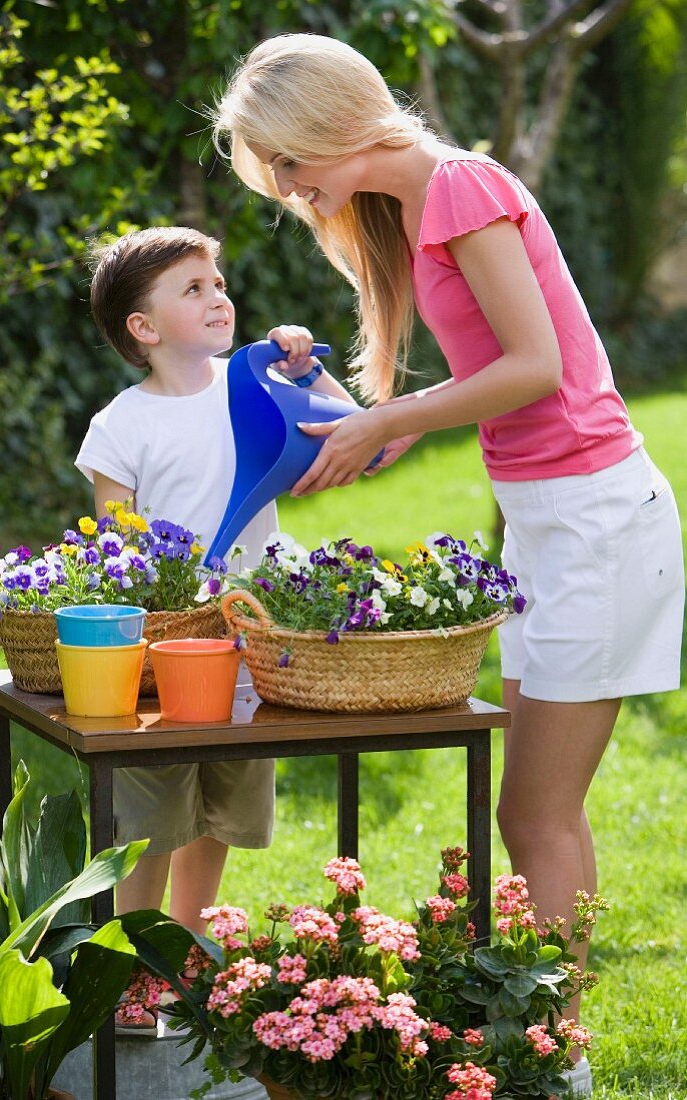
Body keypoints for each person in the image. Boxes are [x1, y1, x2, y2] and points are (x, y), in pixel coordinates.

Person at [212, 34, 685, 1095]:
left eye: (286, 163)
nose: (289, 190)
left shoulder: (463, 186)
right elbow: (445, 394)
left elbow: (534, 366)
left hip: (597, 520)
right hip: (547, 521)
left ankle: (554, 1056)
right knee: (531, 807)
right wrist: (325, 398)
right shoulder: (409, 214)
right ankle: (530, 1035)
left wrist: (399, 415)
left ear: (330, 119)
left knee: (536, 812)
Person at [76, 225, 354, 1032]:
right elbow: (119, 545)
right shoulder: (120, 425)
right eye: (193, 288)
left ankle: (192, 946)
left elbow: (351, 430)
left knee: (225, 799)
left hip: (249, 632)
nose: (220, 296)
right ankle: (132, 961)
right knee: (155, 806)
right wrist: (162, 594)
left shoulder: (256, 382)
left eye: (219, 281)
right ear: (145, 328)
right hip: (167, 643)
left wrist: (311, 369)